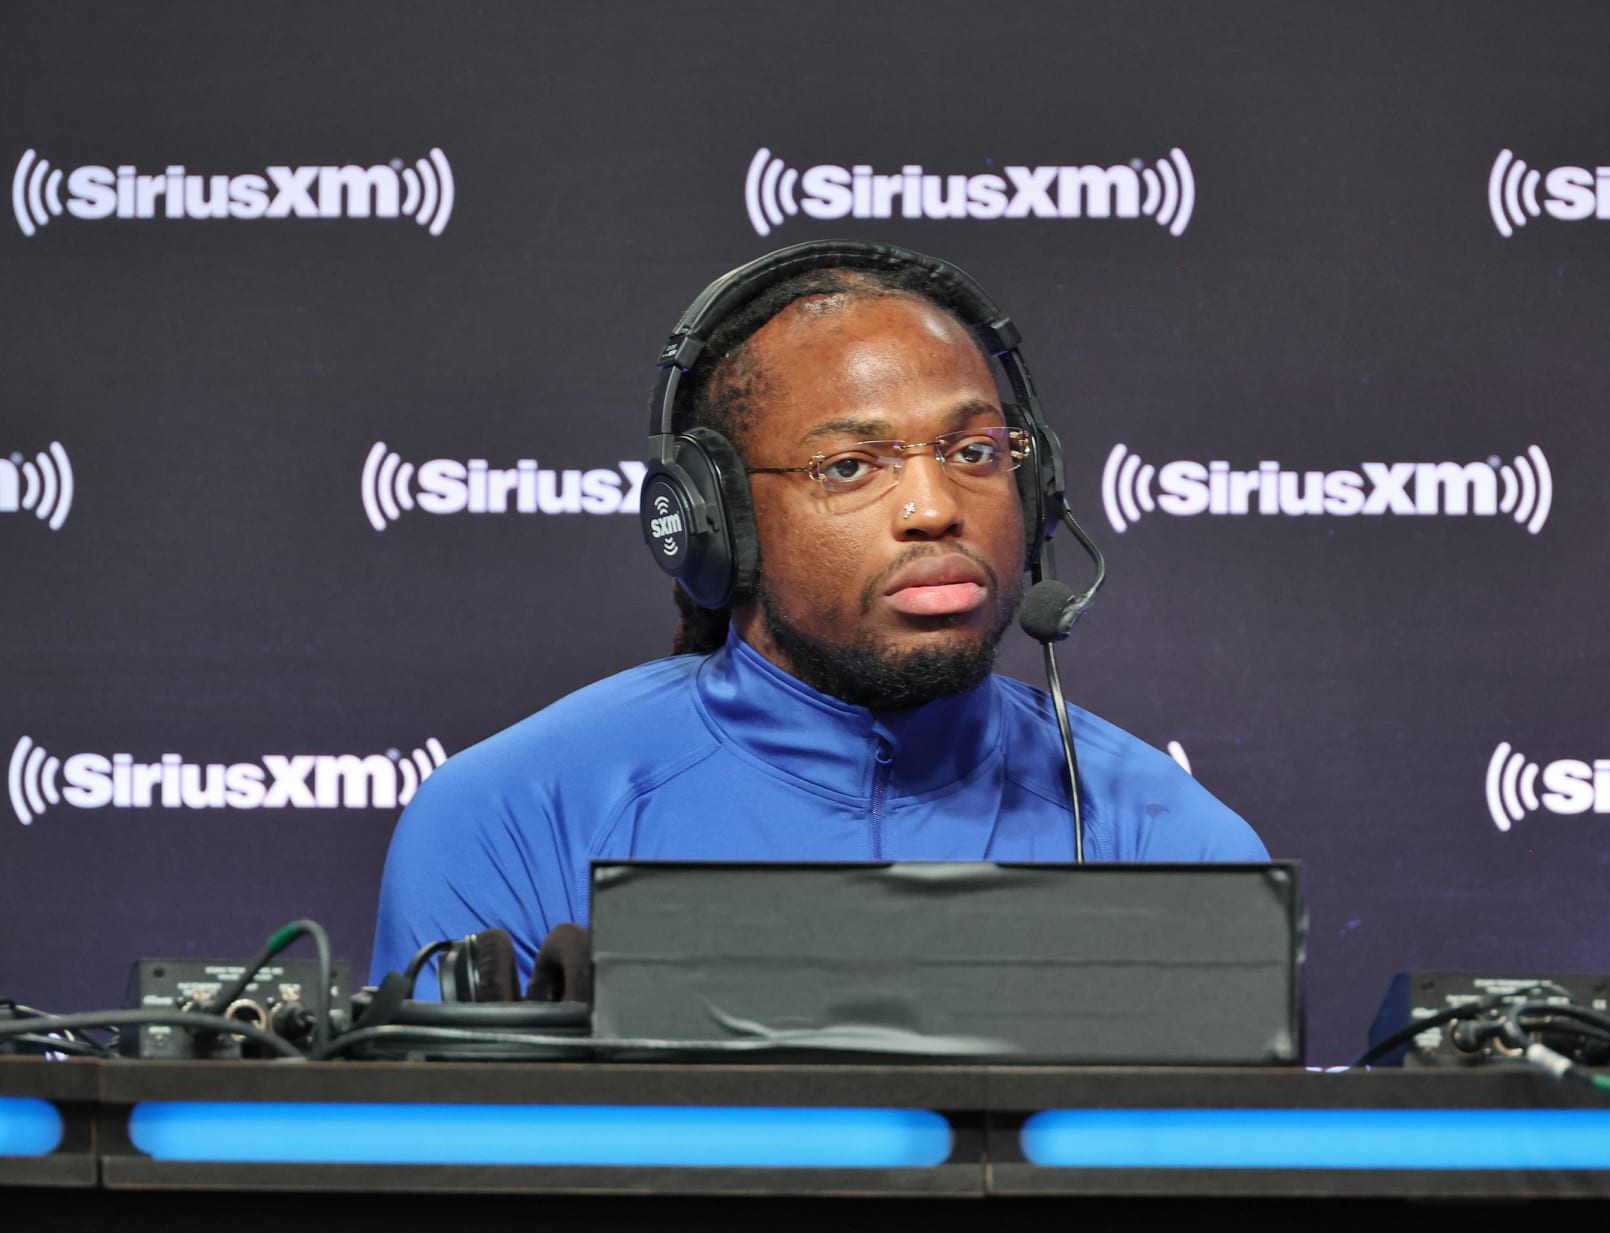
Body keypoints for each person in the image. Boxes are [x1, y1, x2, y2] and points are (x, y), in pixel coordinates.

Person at [369, 243, 1266, 989]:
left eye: (974, 451)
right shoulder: (515, 818)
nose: (934, 506)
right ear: (718, 520)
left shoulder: (1171, 840)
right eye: (848, 465)